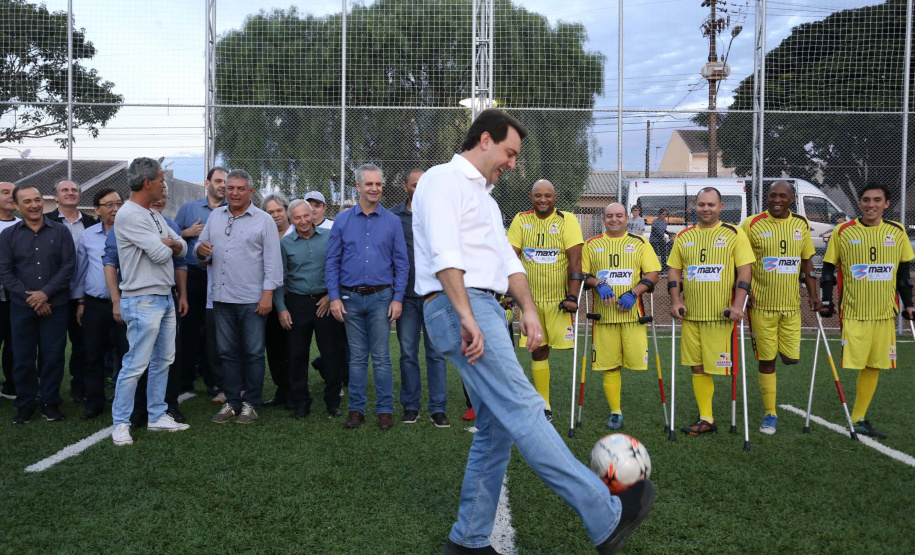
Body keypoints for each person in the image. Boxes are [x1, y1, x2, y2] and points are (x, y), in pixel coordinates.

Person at [414, 109, 654, 554]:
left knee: (495, 427)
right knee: (526, 409)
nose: (512, 163)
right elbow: (445, 255)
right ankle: (605, 515)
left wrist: (527, 308)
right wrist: (467, 317)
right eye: (510, 152)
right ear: (485, 139)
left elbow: (507, 262)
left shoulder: (484, 197)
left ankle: (466, 541)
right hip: (459, 303)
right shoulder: (442, 179)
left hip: (479, 303)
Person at [819, 183, 915, 439]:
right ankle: (856, 415)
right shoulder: (843, 231)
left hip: (885, 313)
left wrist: (909, 304)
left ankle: (858, 417)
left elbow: (903, 273)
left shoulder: (897, 231)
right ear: (859, 203)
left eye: (876, 200)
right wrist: (826, 301)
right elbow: (828, 270)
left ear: (886, 204)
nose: (870, 204)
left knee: (874, 365)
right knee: (854, 363)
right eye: (865, 199)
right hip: (854, 312)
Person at [109, 157, 190, 446]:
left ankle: (157, 416)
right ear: (147, 183)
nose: (163, 185)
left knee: (163, 360)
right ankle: (120, 422)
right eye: (160, 180)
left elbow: (182, 247)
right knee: (135, 364)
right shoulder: (130, 214)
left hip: (164, 297)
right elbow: (162, 253)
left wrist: (170, 243)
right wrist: (168, 244)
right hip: (141, 298)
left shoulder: (153, 215)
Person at [326, 163, 409, 430]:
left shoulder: (393, 221)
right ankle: (356, 410)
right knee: (358, 357)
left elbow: (402, 263)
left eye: (379, 184)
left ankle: (385, 410)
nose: (375, 189)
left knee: (382, 357)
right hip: (349, 299)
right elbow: (332, 262)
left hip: (381, 298)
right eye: (369, 184)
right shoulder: (342, 220)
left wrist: (397, 298)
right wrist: (334, 297)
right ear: (358, 187)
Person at [197, 169, 283, 425]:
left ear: (251, 192)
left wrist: (267, 294)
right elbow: (201, 255)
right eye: (230, 188)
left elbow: (273, 262)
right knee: (228, 352)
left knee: (254, 353)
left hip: (252, 300)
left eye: (240, 188)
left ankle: (251, 404)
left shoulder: (263, 220)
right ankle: (232, 402)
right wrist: (200, 251)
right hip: (222, 299)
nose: (234, 192)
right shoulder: (215, 216)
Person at [667, 187, 755, 435]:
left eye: (711, 205)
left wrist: (738, 305)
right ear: (695, 206)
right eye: (701, 204)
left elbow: (745, 271)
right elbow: (674, 271)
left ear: (721, 207)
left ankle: (718, 417)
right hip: (692, 315)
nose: (706, 209)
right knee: (697, 367)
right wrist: (675, 301)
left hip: (721, 316)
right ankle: (707, 419)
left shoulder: (734, 234)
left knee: (722, 368)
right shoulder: (683, 236)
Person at [741, 181, 821, 434]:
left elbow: (806, 262)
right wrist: (743, 291)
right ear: (767, 197)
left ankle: (772, 406)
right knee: (767, 360)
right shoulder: (751, 224)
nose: (777, 200)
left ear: (792, 199)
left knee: (790, 359)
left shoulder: (801, 224)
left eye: (782, 196)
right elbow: (740, 261)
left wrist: (813, 295)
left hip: (791, 306)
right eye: (773, 195)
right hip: (761, 306)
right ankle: (770, 413)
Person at [507, 179, 584, 421]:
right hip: (530, 303)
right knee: (538, 352)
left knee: (567, 351)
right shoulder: (521, 219)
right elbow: (510, 259)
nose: (543, 199)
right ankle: (544, 405)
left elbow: (575, 262)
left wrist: (572, 295)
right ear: (531, 197)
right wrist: (509, 293)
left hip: (560, 302)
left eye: (548, 195)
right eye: (538, 195)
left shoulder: (567, 220)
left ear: (555, 196)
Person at [0, 185, 75, 424]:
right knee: (23, 358)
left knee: (53, 357)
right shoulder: (8, 235)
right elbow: (5, 271)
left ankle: (50, 403)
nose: (33, 205)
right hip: (22, 307)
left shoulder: (61, 232)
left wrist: (45, 294)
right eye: (27, 202)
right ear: (17, 205)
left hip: (56, 306)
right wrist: (31, 297)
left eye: (37, 200)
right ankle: (25, 404)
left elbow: (68, 267)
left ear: (43, 201)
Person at [583, 203, 661, 430]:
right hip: (603, 316)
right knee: (610, 366)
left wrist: (634, 293)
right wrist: (597, 283)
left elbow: (653, 274)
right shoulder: (592, 244)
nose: (614, 219)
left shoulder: (640, 242)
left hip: (633, 316)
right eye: (609, 216)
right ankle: (615, 411)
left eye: (619, 215)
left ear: (627, 218)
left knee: (635, 363)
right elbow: (584, 275)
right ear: (603, 219)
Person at [390, 168, 450, 427]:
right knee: (408, 354)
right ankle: (411, 406)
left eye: (423, 184)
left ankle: (438, 408)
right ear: (405, 187)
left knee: (436, 354)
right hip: (406, 296)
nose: (419, 188)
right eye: (414, 185)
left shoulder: (442, 214)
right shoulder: (393, 217)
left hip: (435, 296)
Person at [275, 200, 346, 418]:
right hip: (297, 304)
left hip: (326, 302)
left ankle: (332, 401)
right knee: (297, 355)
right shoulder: (285, 244)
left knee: (332, 354)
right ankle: (301, 403)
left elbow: (342, 269)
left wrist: (331, 296)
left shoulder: (330, 238)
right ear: (291, 220)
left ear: (312, 215)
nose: (303, 221)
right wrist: (281, 308)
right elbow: (280, 279)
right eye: (297, 218)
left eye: (306, 215)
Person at [73, 189, 128, 420]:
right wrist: (81, 302)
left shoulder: (130, 232)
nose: (115, 209)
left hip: (126, 303)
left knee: (127, 354)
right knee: (93, 354)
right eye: (109, 205)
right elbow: (80, 270)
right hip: (95, 305)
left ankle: (126, 402)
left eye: (118, 204)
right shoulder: (87, 236)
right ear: (96, 209)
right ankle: (94, 402)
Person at [175, 167, 227, 399]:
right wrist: (188, 232)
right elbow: (172, 236)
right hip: (193, 276)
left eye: (225, 182)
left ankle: (213, 381)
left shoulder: (232, 210)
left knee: (214, 331)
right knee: (189, 328)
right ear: (207, 183)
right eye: (218, 181)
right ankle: (186, 379)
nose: (222, 186)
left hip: (220, 277)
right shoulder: (190, 208)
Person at [48, 180, 97, 404]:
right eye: (64, 190)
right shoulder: (45, 220)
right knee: (52, 346)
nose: (70, 193)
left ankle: (80, 388)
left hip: (82, 297)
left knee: (82, 344)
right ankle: (49, 391)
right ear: (55, 197)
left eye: (74, 190)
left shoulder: (90, 223)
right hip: (52, 295)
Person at [261, 193, 293, 409]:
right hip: (269, 298)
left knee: (294, 347)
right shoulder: (264, 234)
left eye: (279, 210)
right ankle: (282, 390)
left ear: (287, 211)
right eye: (270, 212)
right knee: (273, 347)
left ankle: (295, 391)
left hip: (294, 299)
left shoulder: (297, 232)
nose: (275, 215)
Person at [0, 182, 19, 400]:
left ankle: (11, 386)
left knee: (15, 344)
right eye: (5, 192)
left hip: (15, 297)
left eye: (13, 192)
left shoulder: (21, 225)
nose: (10, 196)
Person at [648, 208, 670, 274]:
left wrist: (669, 234)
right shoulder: (655, 221)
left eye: (665, 215)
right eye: (663, 214)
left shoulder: (665, 222)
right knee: (654, 254)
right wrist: (661, 237)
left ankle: (664, 267)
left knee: (663, 253)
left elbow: (663, 230)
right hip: (654, 240)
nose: (664, 216)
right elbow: (654, 231)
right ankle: (653, 267)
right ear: (659, 214)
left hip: (661, 240)